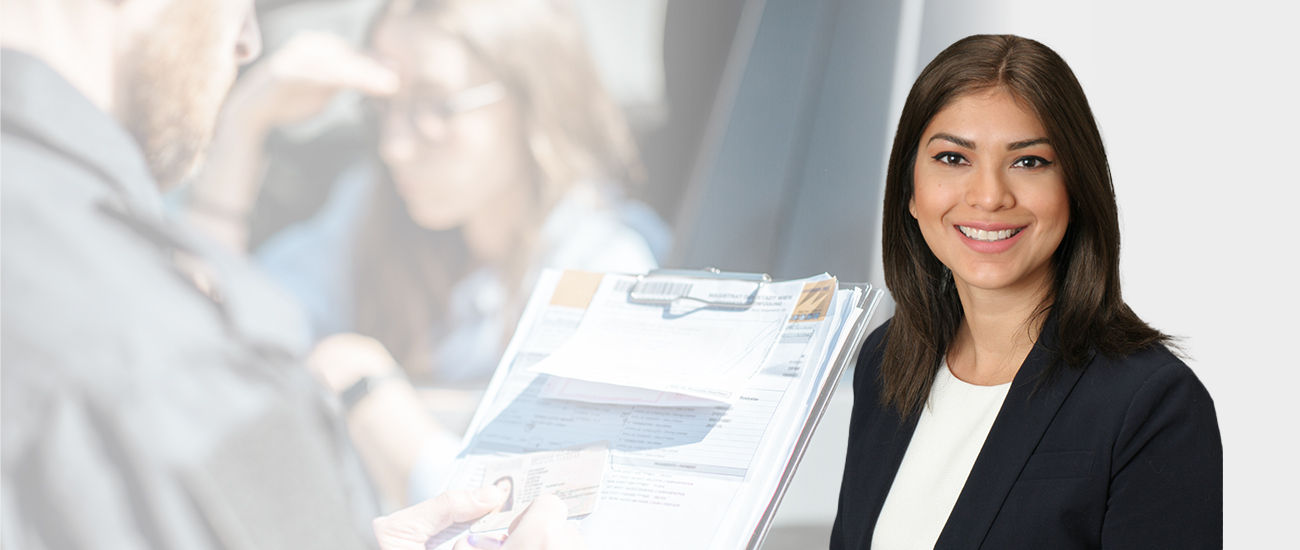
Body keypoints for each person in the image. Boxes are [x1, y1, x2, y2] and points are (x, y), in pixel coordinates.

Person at [0, 0, 582, 548]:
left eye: (435, 106)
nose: (249, 40)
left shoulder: (609, 255)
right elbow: (203, 317)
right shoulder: (158, 352)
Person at [183, 0, 668, 508]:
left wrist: (368, 399)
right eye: (384, 107)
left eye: (436, 106)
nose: (394, 145)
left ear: (534, 97)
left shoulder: (609, 269)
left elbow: (565, 518)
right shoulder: (371, 211)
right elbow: (206, 330)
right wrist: (244, 125)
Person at [831, 35, 1221, 549]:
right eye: (953, 159)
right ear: (910, 190)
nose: (990, 196)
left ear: (1075, 187)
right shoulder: (886, 361)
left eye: (1029, 161)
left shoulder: (1150, 404)